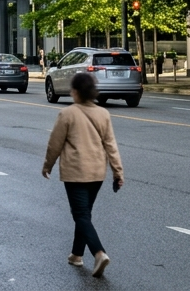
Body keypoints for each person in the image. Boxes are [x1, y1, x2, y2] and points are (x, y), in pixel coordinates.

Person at [43, 72, 123, 279]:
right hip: (97, 172)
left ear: (76, 92)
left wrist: (47, 166)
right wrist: (117, 171)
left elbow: (55, 143)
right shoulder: (103, 114)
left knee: (80, 215)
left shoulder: (67, 114)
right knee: (84, 213)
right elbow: (111, 146)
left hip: (75, 172)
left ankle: (99, 253)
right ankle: (77, 255)